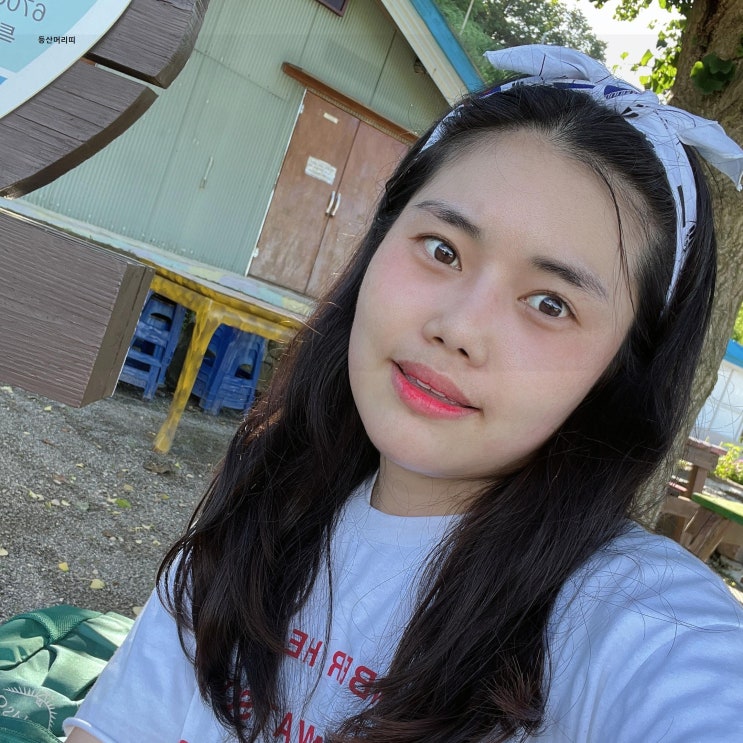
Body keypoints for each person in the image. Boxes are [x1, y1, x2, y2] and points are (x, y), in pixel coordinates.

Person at [65, 46, 743, 743]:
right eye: (442, 249)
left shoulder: (639, 622)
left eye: (549, 303)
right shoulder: (267, 504)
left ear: (620, 370)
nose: (458, 328)